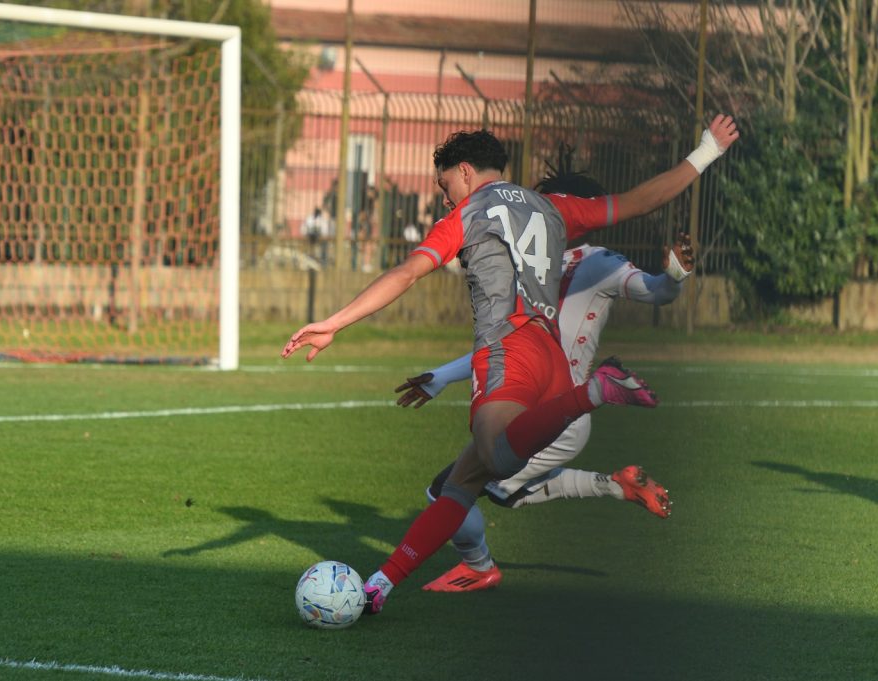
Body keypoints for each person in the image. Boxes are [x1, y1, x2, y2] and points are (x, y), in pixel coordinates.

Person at [282, 114, 738, 615]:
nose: (443, 196)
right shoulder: (551, 207)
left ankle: (597, 390)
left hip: (509, 349)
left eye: (444, 184)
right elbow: (637, 202)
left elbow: (407, 272)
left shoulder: (468, 213)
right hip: (551, 360)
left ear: (465, 172)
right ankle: (379, 586)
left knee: (497, 457)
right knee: (460, 485)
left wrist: (334, 322)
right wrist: (706, 152)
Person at [394, 152, 694, 592]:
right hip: (537, 406)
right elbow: (502, 349)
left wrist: (675, 275)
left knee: (452, 491)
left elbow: (656, 291)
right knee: (498, 488)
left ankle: (479, 567)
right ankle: (616, 486)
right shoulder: (533, 266)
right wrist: (440, 377)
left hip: (557, 410)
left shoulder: (599, 263)